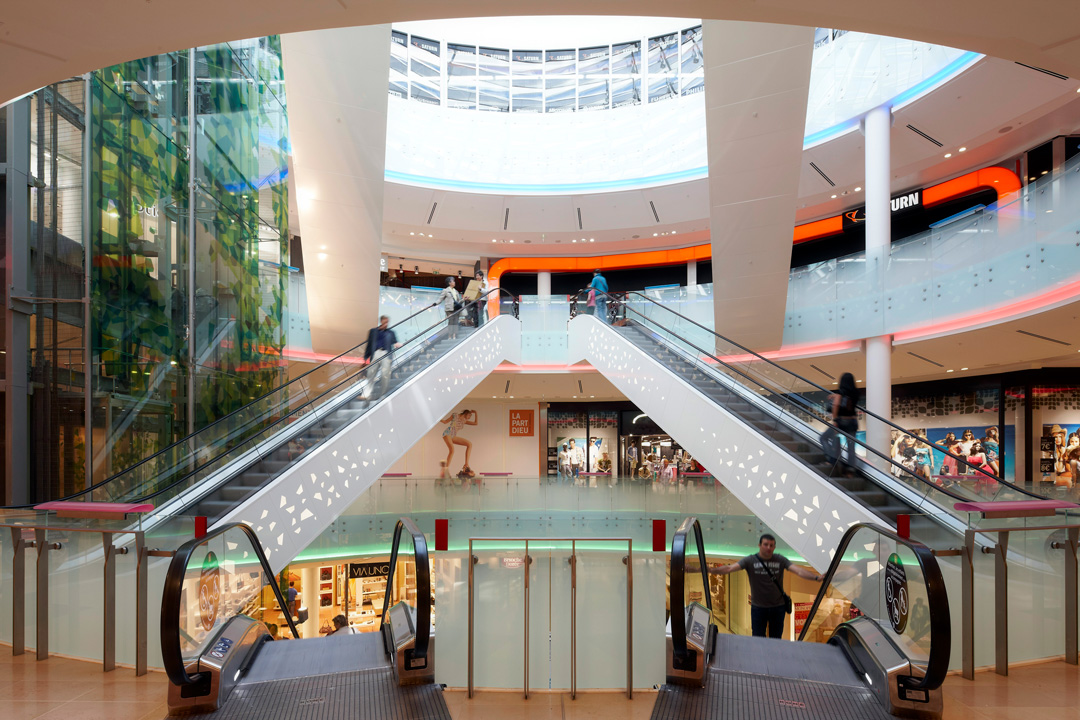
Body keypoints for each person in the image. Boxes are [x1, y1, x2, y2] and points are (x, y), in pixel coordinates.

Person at [713, 534, 823, 638]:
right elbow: (729, 568)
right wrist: (707, 569)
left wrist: (816, 578)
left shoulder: (780, 559)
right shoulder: (750, 560)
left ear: (774, 547)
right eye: (766, 544)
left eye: (771, 545)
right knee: (758, 637)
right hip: (758, 608)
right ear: (759, 545)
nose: (768, 548)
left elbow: (798, 571)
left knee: (775, 639)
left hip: (777, 608)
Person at [822, 372, 858, 470]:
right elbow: (847, 401)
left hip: (842, 422)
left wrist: (835, 420)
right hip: (853, 422)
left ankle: (831, 460)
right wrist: (835, 395)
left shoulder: (840, 392)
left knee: (824, 438)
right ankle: (850, 470)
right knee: (851, 447)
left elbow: (837, 404)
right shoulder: (856, 393)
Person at [363, 315, 401, 403]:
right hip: (376, 353)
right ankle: (366, 394)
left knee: (385, 374)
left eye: (387, 322)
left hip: (385, 354)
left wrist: (396, 344)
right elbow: (369, 344)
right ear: (381, 321)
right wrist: (366, 357)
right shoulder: (373, 331)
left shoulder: (391, 333)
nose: (386, 324)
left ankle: (383, 394)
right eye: (385, 322)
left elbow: (395, 342)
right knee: (371, 373)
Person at [441, 409, 477, 478]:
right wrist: (436, 419)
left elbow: (475, 423)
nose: (469, 417)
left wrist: (475, 413)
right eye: (469, 415)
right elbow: (445, 421)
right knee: (452, 450)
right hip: (447, 433)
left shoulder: (464, 421)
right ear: (466, 413)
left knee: (469, 444)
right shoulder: (455, 415)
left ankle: (466, 463)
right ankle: (445, 470)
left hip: (453, 436)